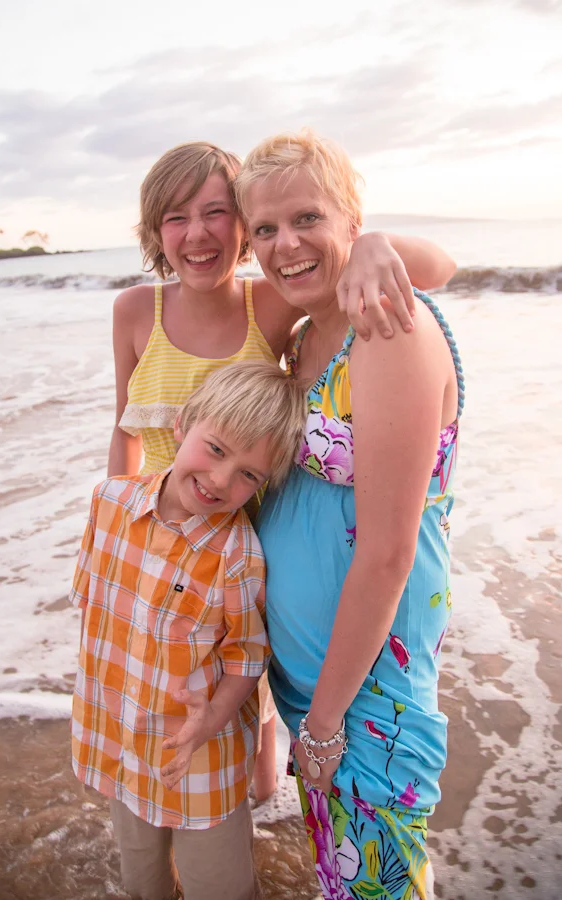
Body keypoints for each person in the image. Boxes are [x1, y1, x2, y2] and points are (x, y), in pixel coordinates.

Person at [107, 140, 457, 803]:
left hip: (249, 564)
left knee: (247, 739)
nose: (197, 232)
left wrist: (376, 245)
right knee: (168, 721)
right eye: (176, 217)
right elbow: (123, 426)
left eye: (216, 212)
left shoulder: (274, 306)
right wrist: (119, 523)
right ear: (155, 230)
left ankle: (254, 814)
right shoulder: (148, 314)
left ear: (235, 230)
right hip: (168, 548)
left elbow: (439, 267)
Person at [235, 131, 464, 899]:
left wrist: (326, 721)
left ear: (352, 221)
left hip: (363, 694)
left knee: (383, 885)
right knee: (345, 881)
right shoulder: (303, 336)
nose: (285, 244)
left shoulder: (389, 326)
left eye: (308, 218)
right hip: (312, 683)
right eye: (265, 229)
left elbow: (389, 553)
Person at [70, 361, 306, 900]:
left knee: (218, 885)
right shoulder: (109, 503)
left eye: (249, 475)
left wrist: (211, 720)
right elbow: (92, 607)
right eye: (216, 449)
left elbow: (247, 658)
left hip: (201, 759)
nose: (221, 480)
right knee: (142, 878)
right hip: (121, 735)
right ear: (182, 424)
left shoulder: (238, 555)